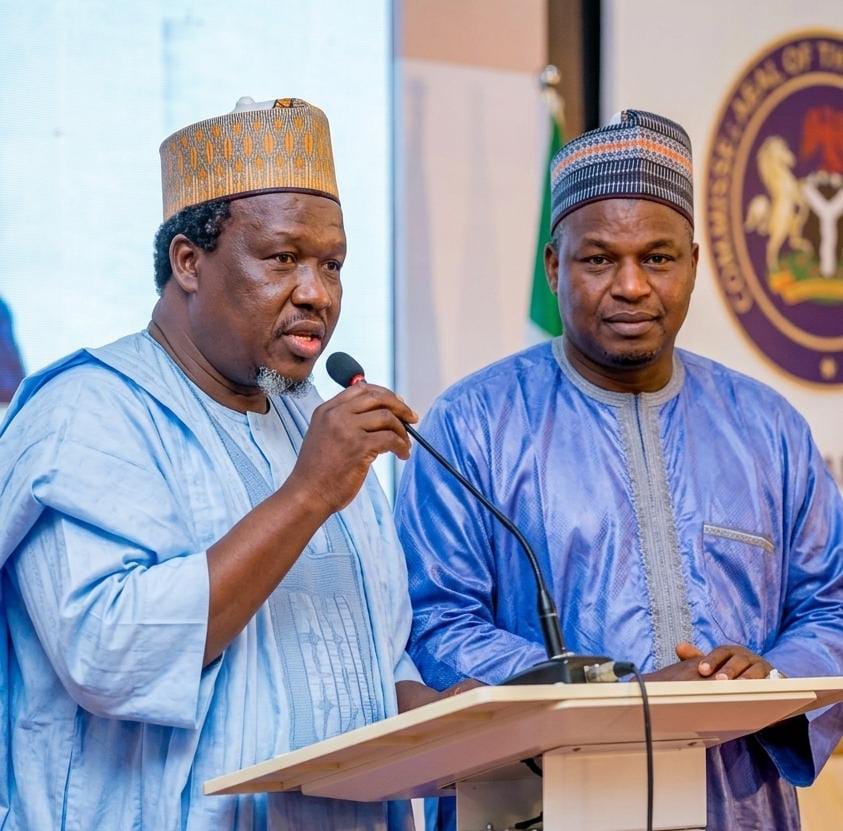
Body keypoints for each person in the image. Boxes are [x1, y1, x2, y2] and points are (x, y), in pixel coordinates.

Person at [0, 97, 444, 830]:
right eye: (283, 258)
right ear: (189, 262)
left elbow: (369, 658)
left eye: (332, 264)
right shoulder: (86, 412)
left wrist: (452, 714)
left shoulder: (314, 419)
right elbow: (109, 654)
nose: (317, 293)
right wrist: (307, 493)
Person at [395, 109, 843, 830]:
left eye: (657, 258)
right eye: (599, 259)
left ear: (693, 263)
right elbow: (436, 620)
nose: (631, 285)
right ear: (554, 266)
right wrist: (618, 696)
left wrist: (773, 675)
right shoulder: (473, 424)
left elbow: (831, 605)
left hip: (734, 802)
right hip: (541, 801)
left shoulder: (768, 429)